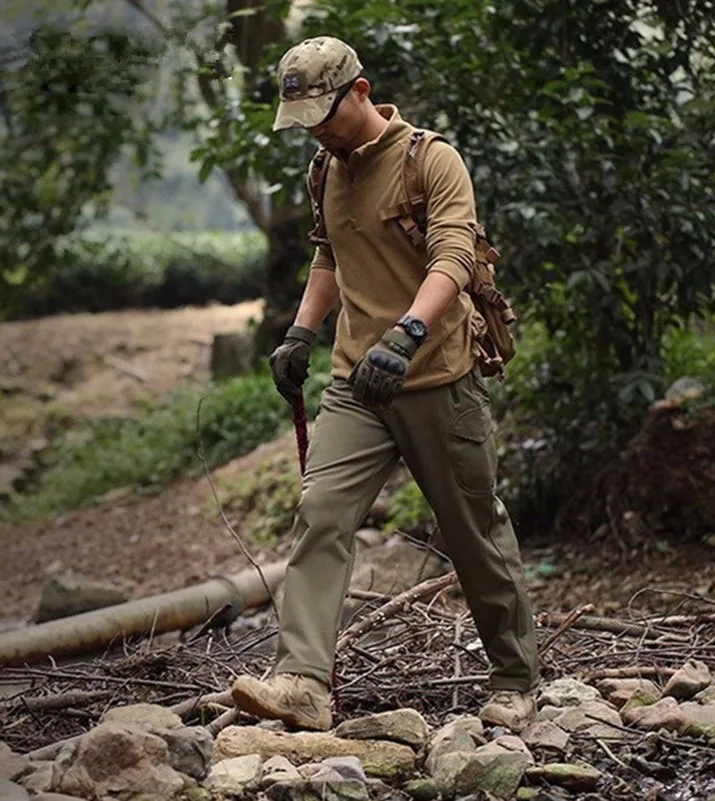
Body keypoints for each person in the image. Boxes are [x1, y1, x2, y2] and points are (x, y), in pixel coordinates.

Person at [231, 35, 539, 732]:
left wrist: (406, 334)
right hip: (355, 382)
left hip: (435, 374)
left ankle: (516, 679)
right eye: (303, 119)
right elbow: (329, 257)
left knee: (472, 532)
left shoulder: (430, 159)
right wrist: (300, 332)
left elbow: (455, 256)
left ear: (360, 92)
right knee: (321, 512)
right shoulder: (325, 168)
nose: (316, 128)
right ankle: (302, 679)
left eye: (324, 113)